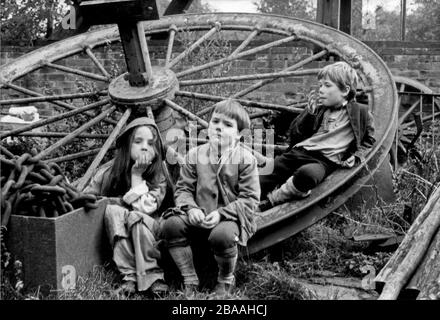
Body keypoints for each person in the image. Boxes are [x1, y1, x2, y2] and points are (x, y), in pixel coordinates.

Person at [160, 99, 260, 298]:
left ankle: (225, 279)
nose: (219, 128)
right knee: (171, 225)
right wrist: (191, 208)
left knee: (222, 236)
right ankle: (189, 277)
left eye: (228, 125)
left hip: (230, 217)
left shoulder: (246, 160)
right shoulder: (195, 155)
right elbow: (183, 189)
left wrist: (222, 213)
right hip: (198, 213)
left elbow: (250, 199)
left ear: (240, 134)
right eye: (215, 122)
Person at [259, 61, 376, 211]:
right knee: (268, 171)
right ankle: (243, 200)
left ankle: (272, 201)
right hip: (300, 152)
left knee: (308, 175)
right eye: (320, 85)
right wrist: (310, 112)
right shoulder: (320, 110)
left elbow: (370, 140)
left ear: (345, 90)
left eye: (327, 85)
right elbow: (296, 134)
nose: (321, 90)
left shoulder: (362, 113)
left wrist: (357, 156)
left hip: (324, 161)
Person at [84, 117, 169, 296]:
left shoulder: (158, 176)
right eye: (138, 142)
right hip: (118, 236)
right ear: (126, 146)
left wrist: (137, 175)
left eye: (151, 143)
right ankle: (129, 275)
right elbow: (88, 198)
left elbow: (144, 208)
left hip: (151, 233)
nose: (144, 147)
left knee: (134, 216)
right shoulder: (108, 172)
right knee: (113, 211)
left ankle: (152, 275)